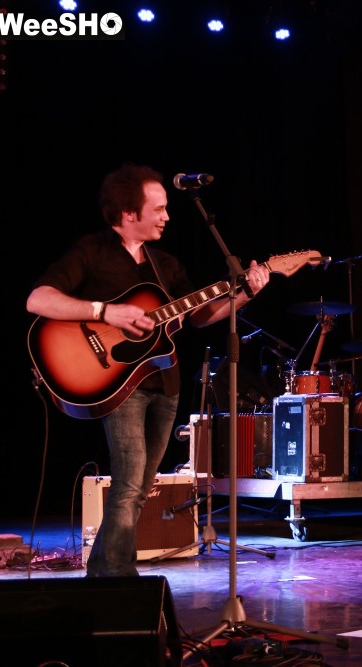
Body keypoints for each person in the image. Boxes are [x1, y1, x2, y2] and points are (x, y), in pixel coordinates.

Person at [26, 163, 271, 577]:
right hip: (118, 384)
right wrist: (105, 311)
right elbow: (38, 300)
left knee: (140, 487)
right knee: (129, 477)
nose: (167, 216)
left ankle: (103, 571)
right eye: (158, 209)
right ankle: (120, 578)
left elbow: (200, 316)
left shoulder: (166, 265)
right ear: (128, 215)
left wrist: (245, 293)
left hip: (165, 380)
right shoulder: (92, 252)